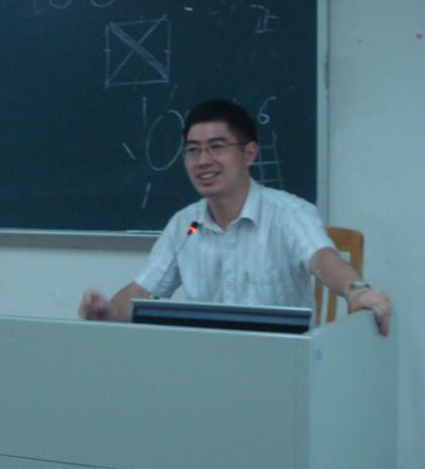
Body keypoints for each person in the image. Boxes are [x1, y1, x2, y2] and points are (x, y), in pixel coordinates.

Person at [79, 98, 392, 335]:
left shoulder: (288, 214)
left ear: (249, 154)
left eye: (216, 147)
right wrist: (108, 312)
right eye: (193, 150)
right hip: (209, 367)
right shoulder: (185, 226)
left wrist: (357, 290)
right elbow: (142, 290)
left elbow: (322, 258)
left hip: (282, 366)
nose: (203, 161)